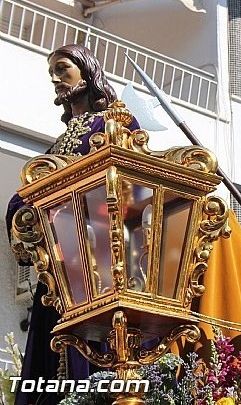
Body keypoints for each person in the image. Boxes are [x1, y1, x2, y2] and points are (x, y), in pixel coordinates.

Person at [4, 44, 142, 405]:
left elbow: (127, 176)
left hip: (98, 254)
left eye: (62, 69)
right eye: (52, 71)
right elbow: (29, 192)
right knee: (53, 344)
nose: (55, 78)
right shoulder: (56, 144)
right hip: (59, 259)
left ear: (87, 72)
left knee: (98, 340)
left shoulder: (113, 122)